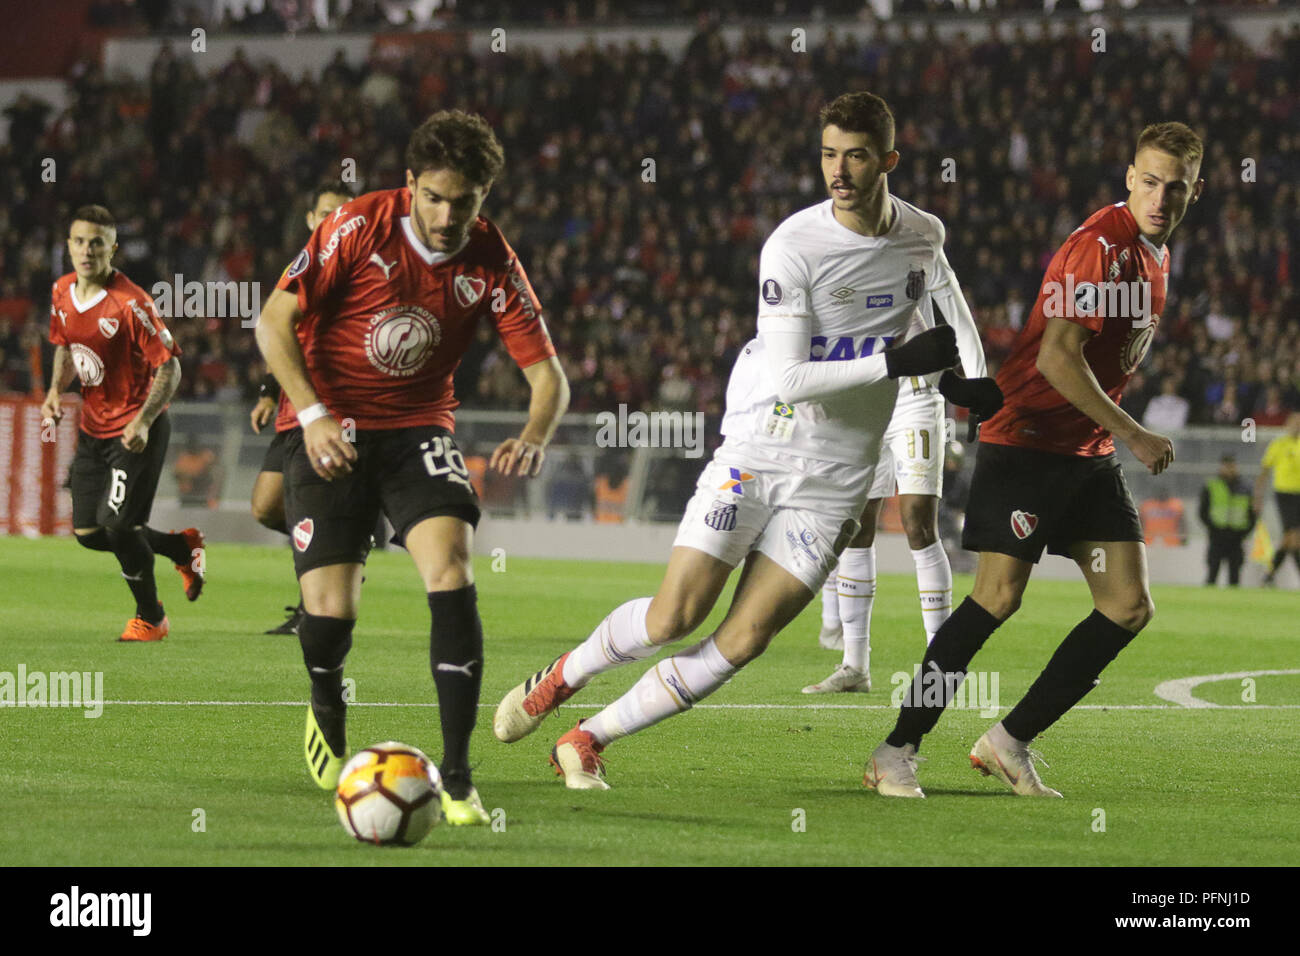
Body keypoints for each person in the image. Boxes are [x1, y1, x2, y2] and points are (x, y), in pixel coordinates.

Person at [492, 92, 999, 789]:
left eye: (855, 155)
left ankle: (587, 739)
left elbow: (949, 308)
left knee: (745, 639)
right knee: (676, 614)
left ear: (888, 160)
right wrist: (894, 363)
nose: (838, 171)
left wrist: (969, 380)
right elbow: (790, 376)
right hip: (762, 447)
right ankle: (561, 679)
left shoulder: (922, 234)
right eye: (828, 154)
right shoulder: (794, 245)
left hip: (838, 476)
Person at [865, 122, 1204, 798]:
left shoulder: (1154, 253)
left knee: (1128, 606)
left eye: (1176, 187)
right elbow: (1056, 356)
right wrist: (1133, 431)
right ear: (1129, 178)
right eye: (1149, 182)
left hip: (1084, 452)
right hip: (1026, 440)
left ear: (1196, 190)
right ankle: (896, 748)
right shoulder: (1100, 248)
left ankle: (1008, 741)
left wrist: (1110, 435)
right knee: (997, 597)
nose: (1160, 197)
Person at [255, 110, 569, 825]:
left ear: (484, 197)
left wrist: (534, 432)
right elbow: (273, 321)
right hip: (331, 425)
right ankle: (327, 692)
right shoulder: (357, 227)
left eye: (465, 201)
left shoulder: (490, 256)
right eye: (434, 197)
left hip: (419, 428)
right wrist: (311, 415)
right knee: (331, 611)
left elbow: (548, 375)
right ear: (409, 186)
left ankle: (456, 777)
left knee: (451, 569)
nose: (447, 215)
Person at [805, 232, 988, 695]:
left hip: (915, 397)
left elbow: (958, 314)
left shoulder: (915, 241)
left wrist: (979, 382)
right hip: (863, 397)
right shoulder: (824, 254)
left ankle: (941, 666)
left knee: (917, 523)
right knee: (856, 526)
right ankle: (854, 665)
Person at [40, 205, 204, 642]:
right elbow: (65, 347)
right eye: (79, 241)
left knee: (119, 526)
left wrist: (145, 421)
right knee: (89, 533)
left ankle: (151, 618)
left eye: (97, 242)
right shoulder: (61, 291)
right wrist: (56, 391)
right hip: (94, 431)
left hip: (135, 432)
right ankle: (179, 547)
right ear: (69, 246)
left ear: (113, 247)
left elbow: (170, 368)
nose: (87, 250)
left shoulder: (132, 303)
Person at [249, 180, 355, 635]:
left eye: (343, 214)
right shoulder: (301, 269)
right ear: (312, 220)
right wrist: (269, 391)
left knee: (299, 507)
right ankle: (341, 548)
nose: (333, 221)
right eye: (326, 213)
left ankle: (314, 605)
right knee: (265, 508)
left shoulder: (356, 271)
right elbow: (285, 336)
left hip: (332, 412)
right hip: (294, 406)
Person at [1256, 411, 1300, 586]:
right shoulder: (1278, 444)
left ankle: (1269, 575)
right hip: (1285, 494)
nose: (1297, 426)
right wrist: (1258, 497)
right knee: (1294, 536)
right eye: (1295, 422)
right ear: (1287, 425)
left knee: (1290, 539)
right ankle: (1269, 576)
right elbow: (1265, 471)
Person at [1199, 455, 1255, 587]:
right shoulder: (1212, 485)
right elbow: (1203, 511)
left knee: (1235, 576)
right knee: (1212, 573)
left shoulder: (1246, 487)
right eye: (1227, 466)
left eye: (1232, 466)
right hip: (1217, 535)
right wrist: (1212, 528)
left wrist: (1245, 532)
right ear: (1221, 467)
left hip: (1237, 537)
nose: (1229, 469)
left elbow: (1252, 513)